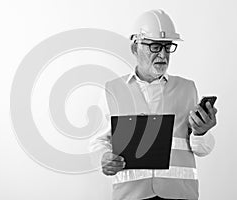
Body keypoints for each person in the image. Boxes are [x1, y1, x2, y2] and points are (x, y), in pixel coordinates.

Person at [89, 9, 217, 200]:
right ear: (135, 48)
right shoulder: (112, 91)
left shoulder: (187, 88)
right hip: (131, 195)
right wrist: (103, 158)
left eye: (167, 47)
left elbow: (202, 149)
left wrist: (202, 132)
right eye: (155, 47)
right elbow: (97, 142)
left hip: (179, 194)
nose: (163, 55)